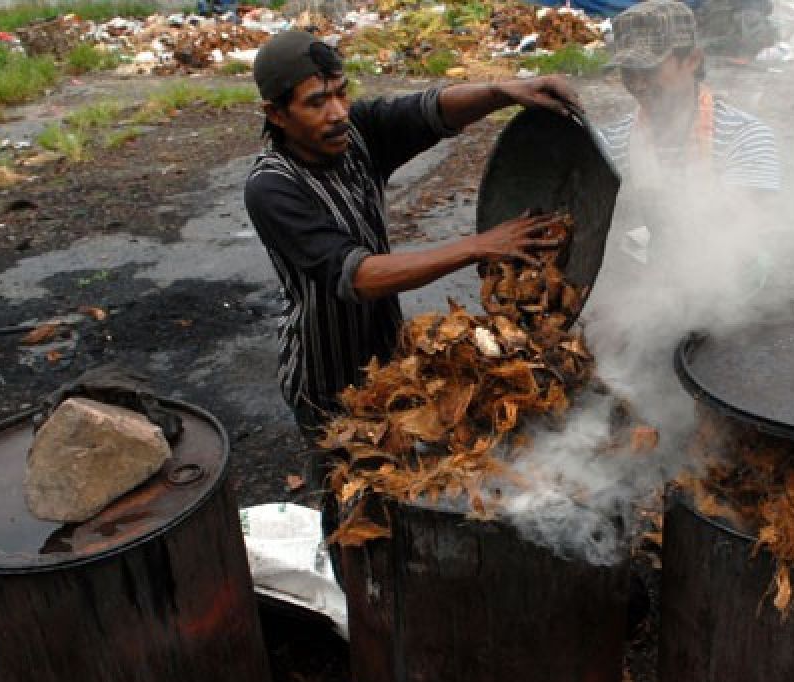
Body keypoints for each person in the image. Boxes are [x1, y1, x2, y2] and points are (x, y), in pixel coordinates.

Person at [243, 31, 579, 489]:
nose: (337, 113)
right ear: (276, 114)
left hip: (388, 358)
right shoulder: (272, 187)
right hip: (326, 378)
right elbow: (357, 276)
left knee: (401, 481)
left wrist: (503, 91)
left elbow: (429, 110)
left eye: (342, 92)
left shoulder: (356, 133)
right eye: (317, 102)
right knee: (350, 495)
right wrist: (477, 245)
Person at [597, 0, 780, 268]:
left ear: (692, 60)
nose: (637, 83)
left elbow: (742, 232)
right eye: (628, 71)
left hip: (728, 285)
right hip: (641, 291)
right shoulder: (611, 144)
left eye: (649, 70)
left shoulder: (745, 137)